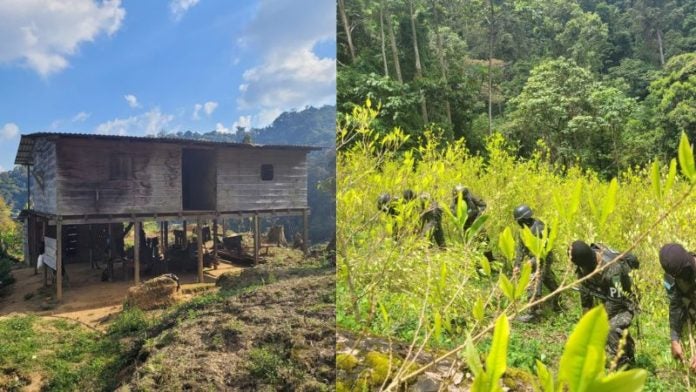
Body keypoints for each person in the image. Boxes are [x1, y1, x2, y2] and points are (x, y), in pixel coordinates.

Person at [570, 240, 638, 367]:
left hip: (624, 302)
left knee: (609, 328)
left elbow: (615, 304)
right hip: (609, 298)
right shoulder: (584, 267)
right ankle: (627, 352)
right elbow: (585, 294)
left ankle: (623, 363)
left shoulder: (613, 269)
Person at [513, 204, 559, 322]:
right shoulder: (524, 230)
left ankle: (534, 314)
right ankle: (557, 301)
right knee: (547, 279)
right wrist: (517, 265)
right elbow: (520, 249)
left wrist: (532, 262)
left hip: (543, 258)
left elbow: (544, 251)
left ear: (523, 219)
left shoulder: (540, 228)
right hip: (535, 260)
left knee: (534, 283)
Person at [659, 243, 696, 370]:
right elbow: (675, 306)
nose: (677, 278)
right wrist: (674, 340)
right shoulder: (672, 277)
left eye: (679, 274)